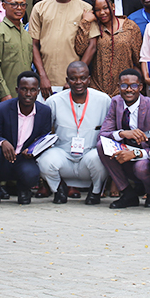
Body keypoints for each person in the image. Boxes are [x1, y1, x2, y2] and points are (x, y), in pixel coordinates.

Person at [38, 61, 109, 205]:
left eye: (83, 78)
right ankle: (58, 189)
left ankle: (95, 192)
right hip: (63, 155)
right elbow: (44, 132)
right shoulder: (54, 101)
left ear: (89, 79)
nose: (78, 82)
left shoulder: (104, 100)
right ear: (67, 80)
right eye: (73, 78)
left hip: (89, 156)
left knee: (101, 158)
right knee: (44, 161)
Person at [96, 68, 150, 209]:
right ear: (118, 87)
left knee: (140, 167)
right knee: (101, 146)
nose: (129, 90)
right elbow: (103, 134)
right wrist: (122, 133)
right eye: (124, 86)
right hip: (125, 150)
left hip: (147, 155)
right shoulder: (116, 102)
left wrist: (136, 153)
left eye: (133, 86)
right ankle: (128, 194)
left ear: (140, 87)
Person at [0, 71, 52, 207]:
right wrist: (2, 142)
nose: (28, 94)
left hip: (25, 158)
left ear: (38, 91)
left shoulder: (44, 111)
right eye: (24, 89)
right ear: (17, 90)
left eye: (33, 90)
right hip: (4, 157)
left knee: (31, 175)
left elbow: (44, 138)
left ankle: (23, 189)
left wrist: (33, 150)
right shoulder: (1, 108)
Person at [30, 0, 92, 100]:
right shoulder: (40, 7)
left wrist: (77, 79)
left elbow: (92, 46)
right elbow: (33, 44)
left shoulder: (85, 8)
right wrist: (42, 77)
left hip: (74, 84)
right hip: (46, 82)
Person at [76, 0, 142, 97]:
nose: (102, 13)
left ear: (113, 6)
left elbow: (138, 58)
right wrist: (85, 22)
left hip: (124, 89)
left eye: (105, 8)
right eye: (97, 10)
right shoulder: (95, 26)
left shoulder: (130, 27)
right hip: (97, 88)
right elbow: (80, 49)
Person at [0, 0, 33, 103]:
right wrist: (4, 93)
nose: (19, 8)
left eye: (22, 5)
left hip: (26, 96)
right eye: (14, 4)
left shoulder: (27, 34)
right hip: (6, 96)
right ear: (4, 5)